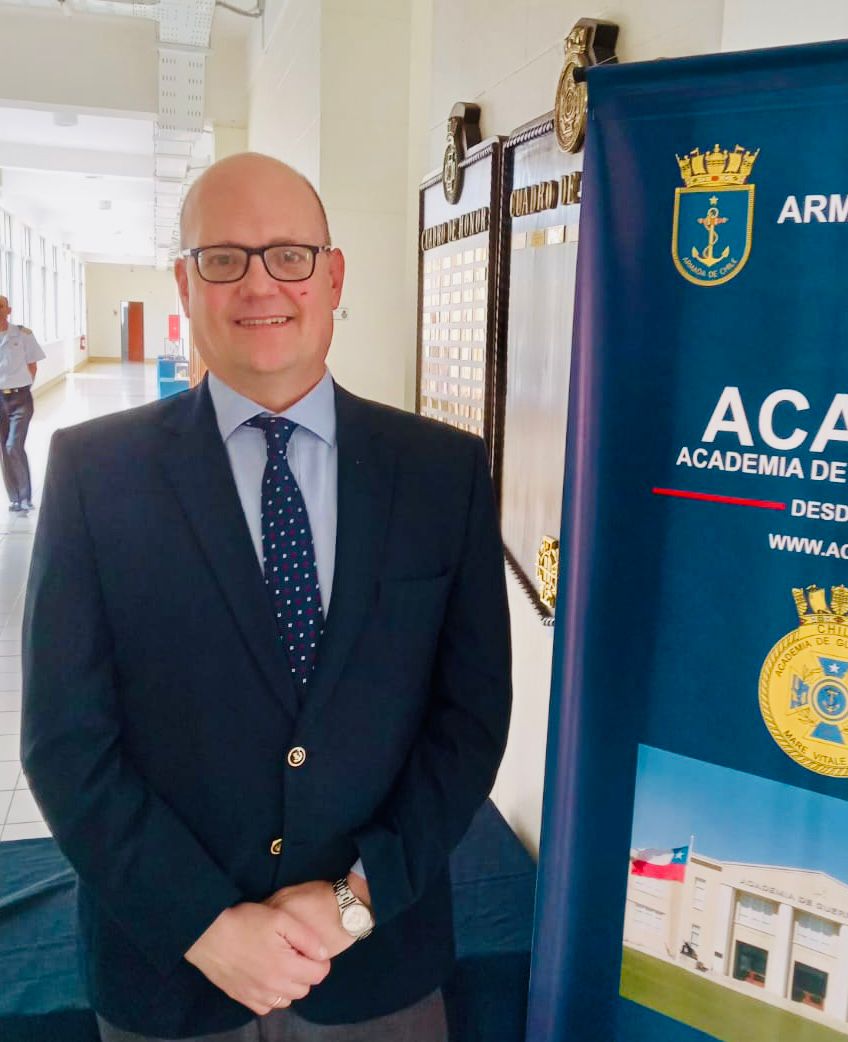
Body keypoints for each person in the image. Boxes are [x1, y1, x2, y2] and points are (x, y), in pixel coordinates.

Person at [21, 152, 512, 1042]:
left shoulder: (441, 473)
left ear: (333, 276)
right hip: (169, 973)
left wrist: (356, 900)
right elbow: (65, 743)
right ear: (184, 282)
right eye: (223, 259)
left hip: (379, 962)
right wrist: (203, 925)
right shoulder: (95, 473)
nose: (260, 284)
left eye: (289, 255)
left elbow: (470, 719)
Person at [0, 295, 45, 514]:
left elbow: (33, 365)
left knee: (13, 446)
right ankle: (15, 498)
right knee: (4, 448)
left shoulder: (23, 334)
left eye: (1, 306)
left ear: (8, 310)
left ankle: (25, 496)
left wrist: (24, 386)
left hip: (20, 398)